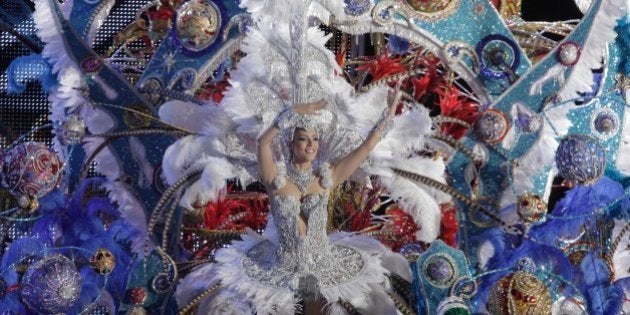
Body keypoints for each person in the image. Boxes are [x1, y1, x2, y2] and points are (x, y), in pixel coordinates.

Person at [175, 88, 413, 315]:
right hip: (279, 268)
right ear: (291, 144)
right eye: (303, 138)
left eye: (315, 139)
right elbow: (262, 143)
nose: (310, 144)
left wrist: (387, 117)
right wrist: (291, 113)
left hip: (323, 265)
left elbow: (366, 147)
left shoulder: (326, 179)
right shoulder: (276, 180)